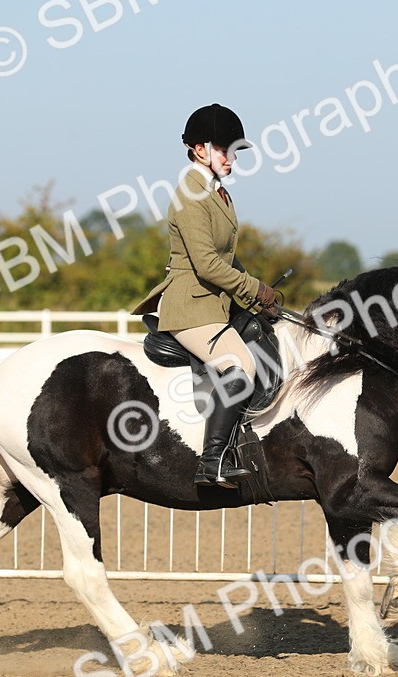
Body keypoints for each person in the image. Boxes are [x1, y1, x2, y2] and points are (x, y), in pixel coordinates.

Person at [133, 104, 278, 489]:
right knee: (239, 366)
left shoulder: (216, 192)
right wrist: (254, 289)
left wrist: (257, 298)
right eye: (225, 150)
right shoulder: (190, 196)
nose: (232, 158)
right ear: (199, 150)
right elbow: (208, 264)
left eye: (235, 151)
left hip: (213, 302)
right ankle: (212, 461)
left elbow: (229, 257)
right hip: (189, 306)